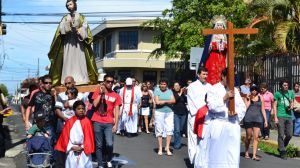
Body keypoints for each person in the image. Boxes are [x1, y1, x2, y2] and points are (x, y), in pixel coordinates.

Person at [194, 68, 246, 168]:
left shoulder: (235, 90)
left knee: (231, 154)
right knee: (217, 154)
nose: (232, 81)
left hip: (232, 125)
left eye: (234, 79)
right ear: (223, 76)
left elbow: (242, 107)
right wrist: (224, 98)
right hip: (218, 125)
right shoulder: (213, 89)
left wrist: (235, 113)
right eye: (229, 78)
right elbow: (211, 106)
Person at [48, 0, 98, 86]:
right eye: (67, 5)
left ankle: (81, 79)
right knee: (68, 59)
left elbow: (85, 28)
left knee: (80, 59)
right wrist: (67, 26)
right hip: (68, 43)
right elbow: (60, 29)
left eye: (70, 4)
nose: (69, 6)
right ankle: (67, 79)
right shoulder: (65, 18)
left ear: (74, 5)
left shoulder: (81, 17)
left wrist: (79, 30)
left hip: (79, 43)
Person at [92, 74, 121, 168]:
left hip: (109, 122)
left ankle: (108, 159)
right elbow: (94, 105)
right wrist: (101, 94)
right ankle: (100, 164)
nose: (110, 83)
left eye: (111, 82)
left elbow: (117, 111)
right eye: (108, 81)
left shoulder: (116, 95)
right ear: (104, 82)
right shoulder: (97, 91)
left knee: (109, 143)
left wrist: (116, 124)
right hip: (97, 121)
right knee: (99, 144)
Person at [55, 100, 95, 168]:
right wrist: (71, 147)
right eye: (79, 109)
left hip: (84, 152)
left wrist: (82, 147)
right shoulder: (69, 122)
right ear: (74, 110)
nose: (81, 110)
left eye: (83, 108)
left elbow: (89, 138)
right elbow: (65, 138)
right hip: (71, 150)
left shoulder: (87, 122)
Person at [186, 67, 211, 164]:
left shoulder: (209, 86)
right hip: (195, 115)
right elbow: (194, 102)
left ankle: (202, 161)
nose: (205, 76)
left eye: (206, 74)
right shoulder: (192, 86)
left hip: (206, 117)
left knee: (204, 139)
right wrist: (203, 110)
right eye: (203, 74)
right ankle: (193, 161)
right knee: (193, 139)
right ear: (198, 74)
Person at [25, 75, 56, 145]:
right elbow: (29, 107)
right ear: (42, 83)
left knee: (49, 146)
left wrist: (55, 95)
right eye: (46, 83)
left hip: (49, 125)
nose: (49, 84)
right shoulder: (36, 94)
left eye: (50, 83)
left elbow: (55, 108)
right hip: (37, 125)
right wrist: (26, 121)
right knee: (37, 145)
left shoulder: (52, 95)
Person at [243, 85, 268, 161]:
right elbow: (245, 107)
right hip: (248, 119)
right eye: (252, 90)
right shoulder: (247, 97)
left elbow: (263, 109)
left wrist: (265, 120)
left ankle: (254, 155)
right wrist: (248, 99)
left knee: (256, 137)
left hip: (258, 119)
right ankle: (246, 151)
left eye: (255, 89)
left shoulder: (261, 98)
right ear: (250, 90)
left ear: (257, 90)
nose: (254, 91)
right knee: (249, 137)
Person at [201, 15, 227, 85]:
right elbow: (208, 48)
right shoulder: (211, 35)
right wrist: (215, 46)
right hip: (212, 58)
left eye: (221, 25)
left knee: (222, 73)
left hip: (222, 59)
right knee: (212, 74)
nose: (219, 26)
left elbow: (228, 48)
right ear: (215, 26)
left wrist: (224, 46)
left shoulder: (225, 36)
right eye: (218, 25)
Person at [274, 79, 294, 160]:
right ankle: (282, 151)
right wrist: (275, 117)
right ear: (281, 86)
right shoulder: (277, 93)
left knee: (289, 134)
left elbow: (292, 102)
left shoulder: (290, 92)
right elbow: (274, 106)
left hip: (289, 116)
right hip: (280, 115)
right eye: (284, 85)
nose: (286, 86)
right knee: (281, 134)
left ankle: (281, 146)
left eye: (287, 85)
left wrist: (291, 106)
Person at [154, 79, 176, 156]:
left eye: (164, 84)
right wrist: (167, 101)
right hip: (159, 112)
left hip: (169, 112)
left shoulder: (169, 91)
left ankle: (167, 148)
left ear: (166, 85)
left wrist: (164, 101)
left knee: (170, 129)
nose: (163, 85)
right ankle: (160, 148)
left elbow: (173, 100)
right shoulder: (156, 91)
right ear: (159, 85)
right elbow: (157, 102)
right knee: (159, 129)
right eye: (162, 84)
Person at [172, 82, 188, 149]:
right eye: (175, 85)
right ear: (173, 87)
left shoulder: (182, 94)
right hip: (176, 113)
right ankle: (177, 144)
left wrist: (184, 93)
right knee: (177, 130)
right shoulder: (173, 93)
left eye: (178, 85)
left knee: (181, 129)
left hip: (183, 113)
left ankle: (178, 141)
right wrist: (181, 93)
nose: (177, 87)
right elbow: (175, 100)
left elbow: (186, 100)